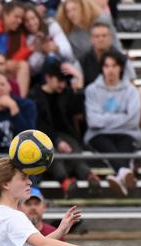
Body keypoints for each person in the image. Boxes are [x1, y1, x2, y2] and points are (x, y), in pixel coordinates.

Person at [30, 60, 100, 197]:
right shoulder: (35, 96)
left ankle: (90, 177)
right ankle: (66, 181)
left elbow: (78, 112)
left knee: (73, 151)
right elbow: (40, 125)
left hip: (66, 136)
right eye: (59, 80)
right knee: (52, 153)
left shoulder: (66, 93)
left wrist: (79, 83)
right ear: (48, 78)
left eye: (65, 81)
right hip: (43, 138)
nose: (63, 84)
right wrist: (57, 141)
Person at [84, 48, 141, 196]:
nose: (110, 70)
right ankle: (124, 172)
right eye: (107, 66)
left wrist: (105, 118)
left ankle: (120, 176)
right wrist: (121, 117)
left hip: (126, 133)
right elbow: (93, 121)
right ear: (102, 68)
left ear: (121, 68)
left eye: (114, 65)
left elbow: (133, 120)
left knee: (124, 144)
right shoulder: (92, 90)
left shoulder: (131, 91)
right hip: (99, 135)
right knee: (106, 144)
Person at [0, 71, 36, 156]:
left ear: (9, 86)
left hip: (24, 156)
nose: (0, 88)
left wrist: (14, 110)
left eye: (3, 84)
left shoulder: (26, 106)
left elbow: (29, 138)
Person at [23, 4, 76, 79]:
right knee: (49, 60)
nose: (31, 23)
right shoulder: (26, 38)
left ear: (38, 17)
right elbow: (32, 70)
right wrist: (40, 51)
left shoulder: (51, 25)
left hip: (63, 67)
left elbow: (69, 53)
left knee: (52, 58)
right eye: (26, 21)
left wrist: (56, 48)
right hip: (41, 77)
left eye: (33, 18)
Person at [56, 0, 120, 60]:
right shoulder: (68, 30)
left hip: (108, 61)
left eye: (74, 9)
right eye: (68, 11)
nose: (71, 14)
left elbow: (115, 44)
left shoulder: (102, 20)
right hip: (84, 65)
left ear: (83, 9)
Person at [79, 22, 135, 87]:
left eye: (104, 36)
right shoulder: (82, 62)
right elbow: (77, 87)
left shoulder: (123, 60)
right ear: (91, 39)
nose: (101, 39)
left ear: (110, 38)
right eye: (97, 36)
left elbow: (131, 84)